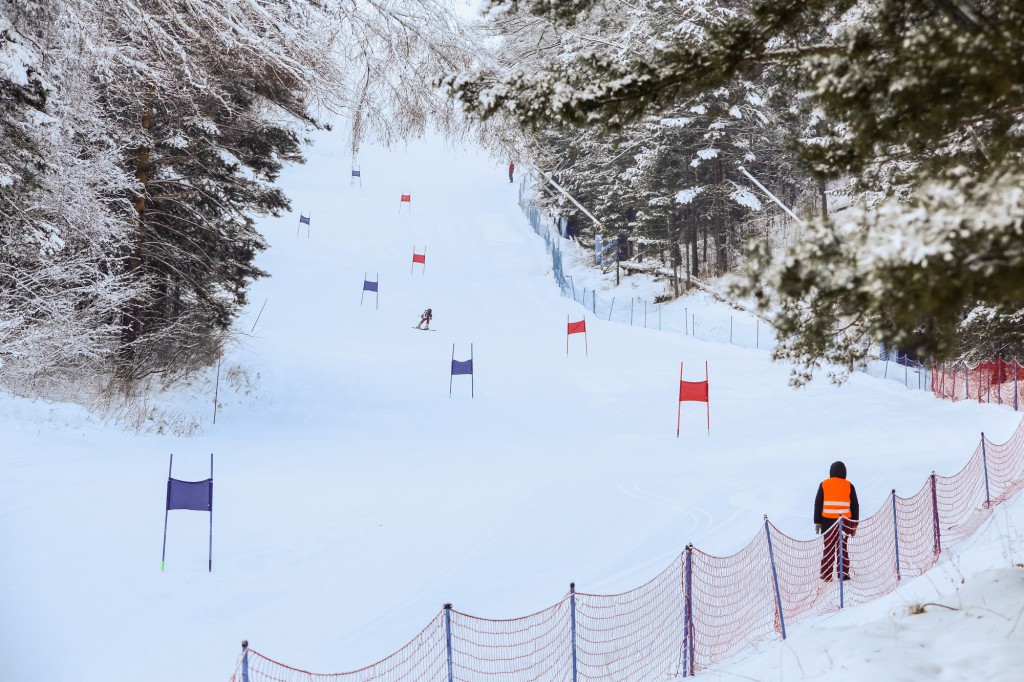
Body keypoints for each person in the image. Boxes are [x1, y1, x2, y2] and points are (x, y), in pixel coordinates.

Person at [813, 460, 859, 581]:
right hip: (844, 522)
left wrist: (817, 521)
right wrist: (854, 524)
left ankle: (826, 575)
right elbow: (855, 506)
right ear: (844, 472)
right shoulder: (849, 485)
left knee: (828, 548)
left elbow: (818, 503)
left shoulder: (824, 484)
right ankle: (843, 574)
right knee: (842, 547)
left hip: (827, 522)